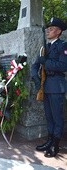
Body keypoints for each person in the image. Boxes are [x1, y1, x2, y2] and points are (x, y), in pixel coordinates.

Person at [31, 18, 67, 158]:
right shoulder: (45, 47)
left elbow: (63, 66)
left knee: (57, 117)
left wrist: (45, 62)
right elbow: (35, 65)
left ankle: (55, 145)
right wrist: (35, 77)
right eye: (48, 28)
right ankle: (49, 140)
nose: (48, 30)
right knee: (49, 117)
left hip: (57, 85)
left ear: (58, 31)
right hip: (45, 85)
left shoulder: (63, 46)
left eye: (51, 29)